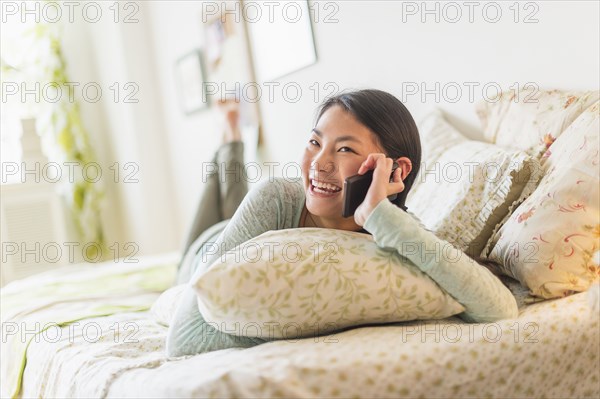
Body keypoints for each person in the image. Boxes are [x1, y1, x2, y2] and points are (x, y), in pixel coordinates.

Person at [167, 89, 518, 357]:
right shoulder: (278, 198)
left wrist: (379, 217)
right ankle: (229, 140)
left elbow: (498, 309)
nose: (319, 163)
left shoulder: (398, 230)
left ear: (396, 170)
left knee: (229, 197)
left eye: (345, 149)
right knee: (225, 191)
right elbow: (182, 339)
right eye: (314, 142)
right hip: (204, 250)